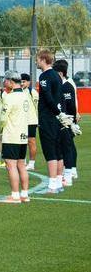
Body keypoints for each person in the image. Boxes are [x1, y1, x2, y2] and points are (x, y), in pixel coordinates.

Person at [0, 72, 31, 204]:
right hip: (23, 135)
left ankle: (15, 195)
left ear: (11, 81)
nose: (4, 82)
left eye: (5, 80)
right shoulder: (25, 96)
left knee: (11, 165)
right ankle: (25, 194)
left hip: (12, 135)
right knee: (21, 164)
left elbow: (4, 117)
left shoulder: (10, 97)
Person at [35, 50, 66, 193]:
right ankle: (59, 182)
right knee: (58, 150)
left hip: (48, 118)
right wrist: (62, 115)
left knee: (50, 151)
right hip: (58, 118)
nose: (36, 62)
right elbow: (60, 97)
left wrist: (57, 113)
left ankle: (52, 185)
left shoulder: (45, 76)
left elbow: (48, 97)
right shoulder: (57, 76)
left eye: (37, 59)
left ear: (42, 59)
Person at [56, 58, 79, 186]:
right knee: (66, 146)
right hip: (64, 121)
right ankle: (70, 171)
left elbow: (70, 106)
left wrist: (72, 122)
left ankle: (69, 175)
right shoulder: (63, 85)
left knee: (67, 147)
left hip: (67, 121)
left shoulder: (67, 86)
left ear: (60, 73)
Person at [21, 73, 39, 170]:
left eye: (24, 81)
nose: (22, 83)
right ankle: (22, 161)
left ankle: (31, 163)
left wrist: (38, 120)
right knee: (21, 141)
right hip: (21, 122)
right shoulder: (18, 92)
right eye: (21, 81)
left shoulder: (33, 92)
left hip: (31, 121)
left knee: (31, 141)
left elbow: (38, 107)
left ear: (28, 82)